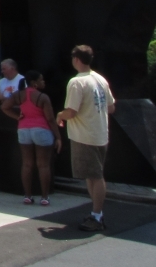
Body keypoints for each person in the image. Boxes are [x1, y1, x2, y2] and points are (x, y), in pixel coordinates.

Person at [56, 45, 115, 231]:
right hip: (100, 132)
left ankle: (97, 216)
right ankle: (96, 213)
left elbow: (71, 111)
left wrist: (59, 115)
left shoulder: (77, 82)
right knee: (92, 175)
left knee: (95, 176)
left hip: (84, 135)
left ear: (76, 59)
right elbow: (111, 107)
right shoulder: (100, 79)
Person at [2, 70, 62, 206]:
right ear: (35, 83)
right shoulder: (43, 97)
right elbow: (51, 119)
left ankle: (27, 196)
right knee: (43, 165)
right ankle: (45, 197)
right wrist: (58, 137)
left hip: (23, 130)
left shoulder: (18, 95)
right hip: (41, 130)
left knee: (27, 164)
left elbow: (5, 107)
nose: (43, 82)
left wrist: (18, 117)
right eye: (41, 80)